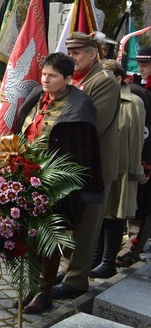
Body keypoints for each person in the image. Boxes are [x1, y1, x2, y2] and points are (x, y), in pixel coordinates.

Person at [15, 52, 103, 314]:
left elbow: (83, 154)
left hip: (56, 186)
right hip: (25, 179)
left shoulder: (79, 107)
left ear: (67, 78)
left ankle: (45, 293)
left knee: (49, 238)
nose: (45, 79)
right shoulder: (37, 97)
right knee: (29, 237)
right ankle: (30, 286)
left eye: (52, 75)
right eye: (43, 74)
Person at [53, 32, 120, 300]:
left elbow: (93, 126)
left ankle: (78, 280)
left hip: (94, 165)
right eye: (69, 52)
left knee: (87, 224)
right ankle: (70, 269)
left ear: (93, 54)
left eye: (77, 53)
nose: (71, 57)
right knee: (71, 220)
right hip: (72, 163)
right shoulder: (76, 80)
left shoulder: (103, 82)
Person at [90, 59, 145, 278]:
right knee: (100, 213)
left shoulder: (133, 102)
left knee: (114, 213)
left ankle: (108, 260)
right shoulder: (99, 97)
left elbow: (136, 140)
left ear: (119, 78)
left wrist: (135, 171)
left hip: (122, 167)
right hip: (102, 164)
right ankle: (96, 257)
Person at [118, 46, 151, 267]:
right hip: (139, 147)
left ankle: (135, 246)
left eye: (146, 64)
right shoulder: (137, 85)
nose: (141, 67)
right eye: (140, 63)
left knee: (145, 203)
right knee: (137, 199)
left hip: (148, 150)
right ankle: (130, 242)